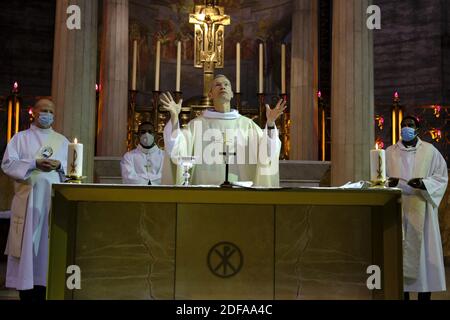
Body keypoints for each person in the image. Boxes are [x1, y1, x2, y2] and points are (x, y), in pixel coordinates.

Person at [160, 74, 286, 187]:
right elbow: (176, 149)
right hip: (204, 196)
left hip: (240, 196)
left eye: (226, 84)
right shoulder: (196, 125)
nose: (222, 87)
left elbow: (268, 152)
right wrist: (174, 117)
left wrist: (270, 123)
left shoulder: (247, 126)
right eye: (217, 85)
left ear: (231, 94)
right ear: (210, 94)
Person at [1, 99, 69, 301]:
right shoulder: (20, 138)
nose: (47, 114)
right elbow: (7, 163)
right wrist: (33, 163)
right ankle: (27, 292)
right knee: (27, 249)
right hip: (27, 203)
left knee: (47, 250)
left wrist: (59, 166)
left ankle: (48, 288)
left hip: (52, 202)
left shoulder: (63, 141)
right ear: (34, 112)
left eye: (51, 111)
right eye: (43, 110)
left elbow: (73, 167)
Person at [386, 116, 448, 301]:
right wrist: (390, 183)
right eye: (403, 125)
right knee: (400, 256)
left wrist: (423, 184)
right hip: (398, 210)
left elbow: (441, 177)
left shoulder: (430, 151)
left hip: (423, 210)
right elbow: (379, 176)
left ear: (418, 129)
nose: (406, 128)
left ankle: (424, 296)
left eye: (410, 125)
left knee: (424, 261)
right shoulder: (389, 152)